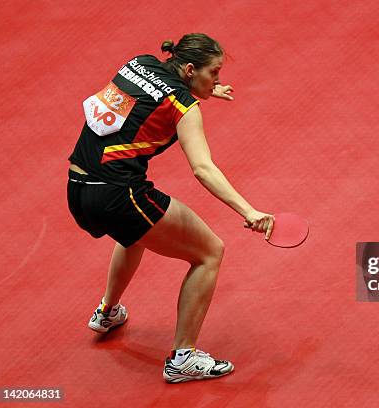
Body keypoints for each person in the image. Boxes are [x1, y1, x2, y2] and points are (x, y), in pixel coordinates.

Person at [67, 33, 273, 383]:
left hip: (77, 188)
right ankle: (183, 358)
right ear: (191, 69)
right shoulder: (184, 107)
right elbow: (203, 168)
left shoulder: (138, 64)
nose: (218, 80)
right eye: (214, 73)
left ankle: (107, 312)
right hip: (119, 195)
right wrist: (248, 211)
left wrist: (203, 91)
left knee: (134, 234)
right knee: (210, 251)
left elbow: (144, 102)